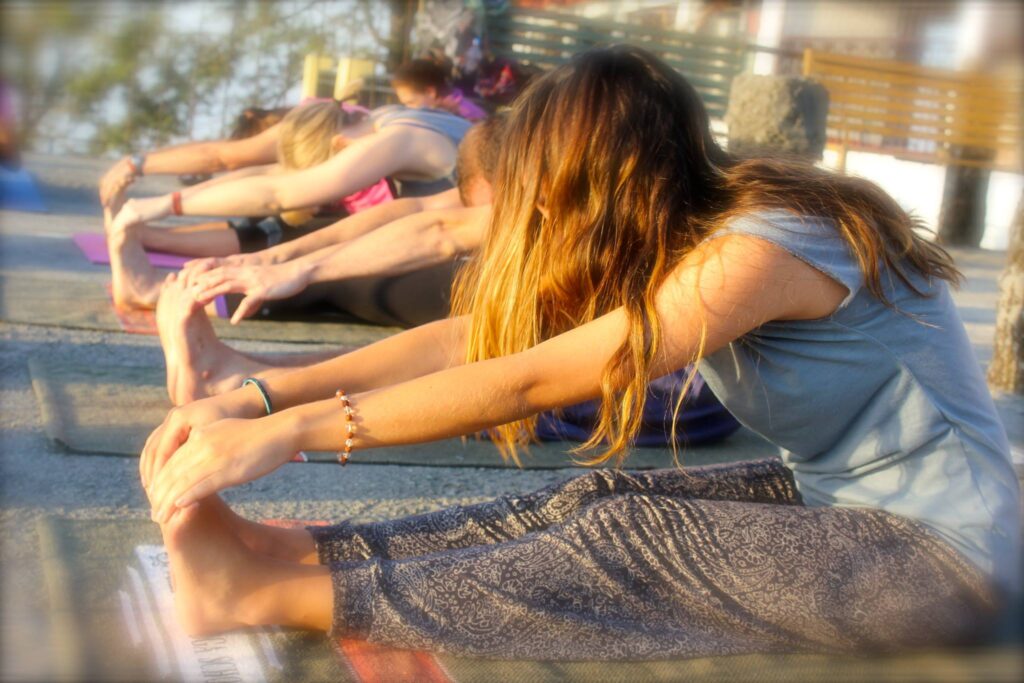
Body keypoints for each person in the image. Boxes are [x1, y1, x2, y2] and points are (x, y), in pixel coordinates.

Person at [138, 46, 1017, 660]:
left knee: (630, 536)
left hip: (948, 557)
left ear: (603, 187)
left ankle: (259, 592)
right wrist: (260, 398)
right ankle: (293, 553)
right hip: (839, 504)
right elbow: (468, 341)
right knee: (597, 495)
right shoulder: (681, 236)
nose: (538, 221)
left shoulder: (763, 246)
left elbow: (536, 378)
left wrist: (292, 434)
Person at [106, 100, 471, 308]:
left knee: (328, 269)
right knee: (320, 243)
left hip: (474, 262)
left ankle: (153, 291)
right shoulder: (387, 116)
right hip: (464, 236)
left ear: (339, 146)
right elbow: (268, 174)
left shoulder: (397, 140)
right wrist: (162, 203)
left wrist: (166, 204)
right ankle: (159, 275)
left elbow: (280, 194)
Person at [391, 58, 487, 121]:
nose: (408, 109)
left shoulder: (469, 117)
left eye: (410, 102)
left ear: (430, 92)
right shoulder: (440, 112)